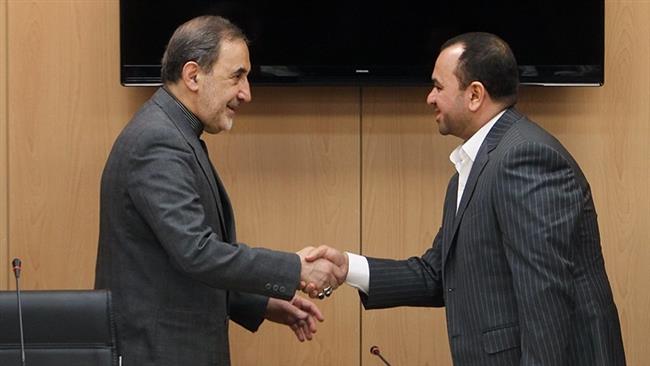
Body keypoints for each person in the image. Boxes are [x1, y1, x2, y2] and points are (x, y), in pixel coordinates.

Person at [305, 32, 626, 365]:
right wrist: (349, 268)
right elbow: (436, 275)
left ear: (475, 94)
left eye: (438, 87)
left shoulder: (524, 157)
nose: (430, 98)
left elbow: (545, 297)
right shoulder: (473, 167)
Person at [94, 15, 343, 366]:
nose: (246, 93)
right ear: (193, 75)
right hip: (158, 353)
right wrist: (295, 269)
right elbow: (196, 251)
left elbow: (177, 266)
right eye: (237, 76)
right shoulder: (158, 142)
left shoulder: (174, 133)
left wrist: (261, 303)